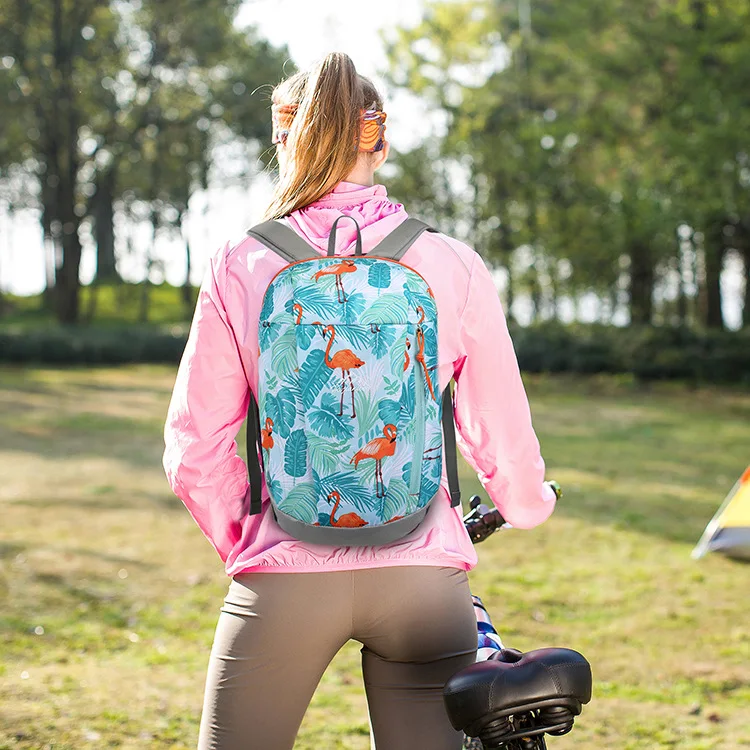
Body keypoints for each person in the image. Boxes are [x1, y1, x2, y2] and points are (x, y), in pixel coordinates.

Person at [163, 52, 558, 750]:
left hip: (285, 570)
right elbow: (498, 424)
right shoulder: (452, 263)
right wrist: (527, 506)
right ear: (380, 141)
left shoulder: (240, 263)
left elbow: (196, 446)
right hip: (423, 579)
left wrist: (252, 542)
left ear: (284, 141)